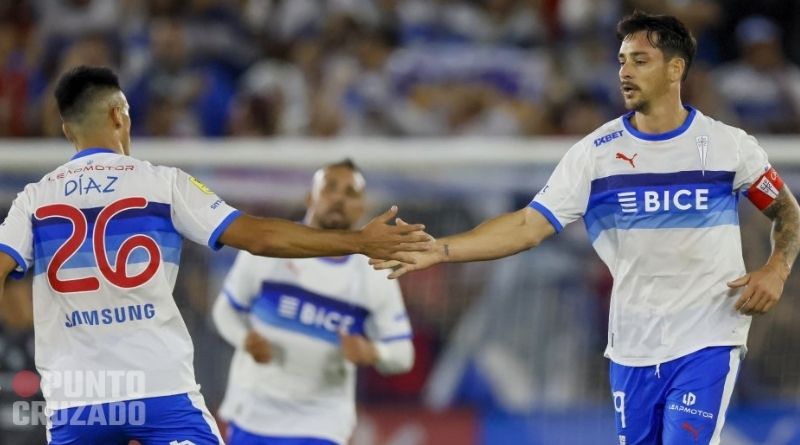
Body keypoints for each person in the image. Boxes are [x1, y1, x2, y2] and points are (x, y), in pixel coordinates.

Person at [373, 11, 800, 445]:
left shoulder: (728, 146)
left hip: (709, 338)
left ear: (676, 69)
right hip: (633, 344)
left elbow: (787, 212)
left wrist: (776, 269)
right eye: (622, 61)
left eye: (640, 61)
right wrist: (440, 249)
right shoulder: (595, 155)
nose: (625, 72)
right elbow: (527, 225)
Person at [0, 65, 429, 445]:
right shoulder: (163, 184)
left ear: (67, 131)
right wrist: (358, 241)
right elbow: (261, 237)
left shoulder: (34, 199)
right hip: (158, 389)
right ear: (118, 115)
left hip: (76, 400)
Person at [212, 159, 414, 445]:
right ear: (310, 197)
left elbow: (403, 354)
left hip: (322, 420)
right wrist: (244, 339)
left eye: (350, 193)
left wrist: (374, 352)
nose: (339, 198)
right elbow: (225, 310)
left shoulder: (375, 273)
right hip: (254, 410)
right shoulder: (269, 246)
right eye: (330, 188)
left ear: (361, 208)